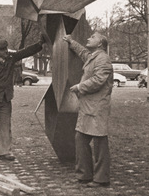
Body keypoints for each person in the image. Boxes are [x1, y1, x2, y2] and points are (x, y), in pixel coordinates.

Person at [62, 32, 113, 188]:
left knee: (99, 143)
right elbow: (83, 53)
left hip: (97, 107)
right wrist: (71, 41)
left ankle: (101, 179)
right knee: (81, 139)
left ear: (100, 44)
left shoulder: (103, 59)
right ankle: (84, 175)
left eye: (93, 37)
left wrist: (79, 87)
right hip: (88, 106)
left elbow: (98, 80)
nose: (89, 37)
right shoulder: (94, 56)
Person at [0, 37, 44, 161]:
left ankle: (5, 152)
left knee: (5, 125)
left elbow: (25, 52)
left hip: (5, 99)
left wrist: (40, 43)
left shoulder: (10, 58)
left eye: (6, 49)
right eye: (3, 50)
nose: (6, 51)